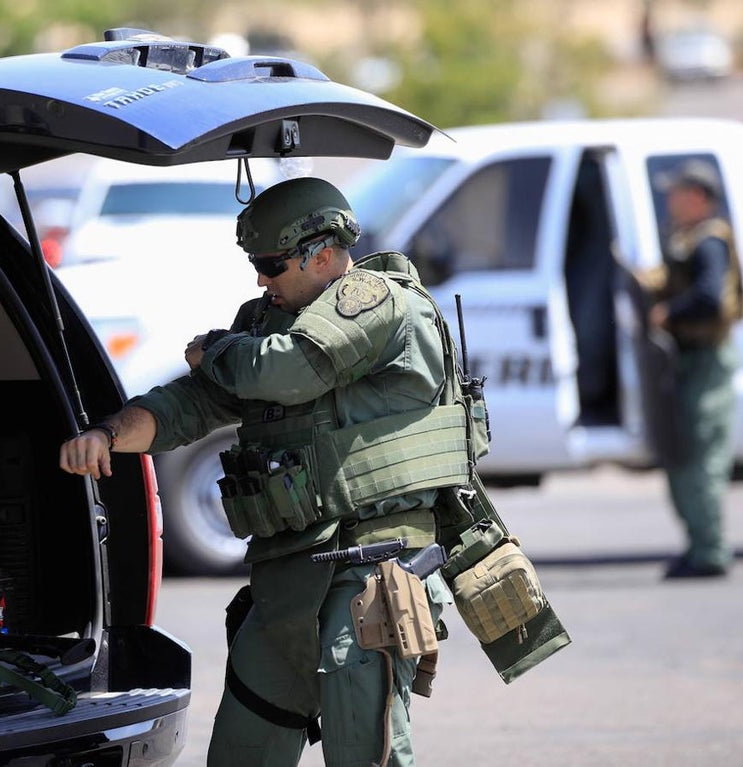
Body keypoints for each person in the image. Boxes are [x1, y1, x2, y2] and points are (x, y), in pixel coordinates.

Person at [60, 177, 479, 765]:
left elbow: (289, 370)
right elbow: (194, 403)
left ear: (324, 253)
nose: (260, 279)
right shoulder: (264, 325)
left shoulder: (378, 301)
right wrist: (107, 435)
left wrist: (216, 351)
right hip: (292, 573)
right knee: (243, 748)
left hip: (374, 567)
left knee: (365, 745)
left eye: (272, 264)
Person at [642, 159, 743, 579]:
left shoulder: (709, 242)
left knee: (702, 456)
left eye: (677, 193)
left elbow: (710, 297)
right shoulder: (687, 239)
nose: (669, 201)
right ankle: (699, 546)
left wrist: (669, 313)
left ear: (698, 197)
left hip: (707, 361)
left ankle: (710, 552)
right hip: (689, 361)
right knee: (683, 454)